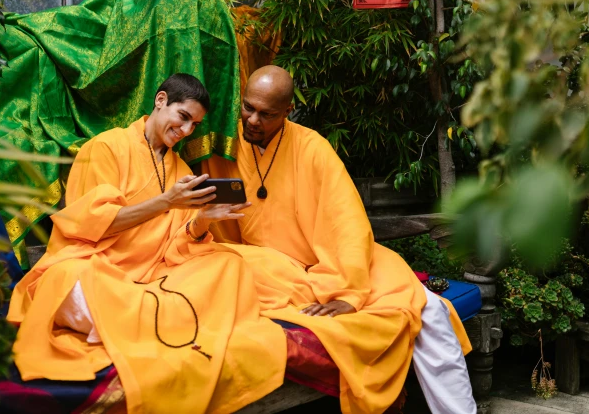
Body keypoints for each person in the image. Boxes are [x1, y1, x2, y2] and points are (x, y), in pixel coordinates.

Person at [204, 65, 477, 414]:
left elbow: (347, 223)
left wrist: (348, 292)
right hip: (268, 267)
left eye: (266, 114)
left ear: (288, 111)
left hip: (330, 260)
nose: (253, 120)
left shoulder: (313, 149)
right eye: (248, 108)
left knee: (431, 310)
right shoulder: (224, 145)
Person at [7, 73, 287, 414]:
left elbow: (180, 244)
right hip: (99, 269)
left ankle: (140, 317)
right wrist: (167, 202)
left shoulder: (179, 168)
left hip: (152, 276)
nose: (185, 132)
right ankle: (158, 316)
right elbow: (93, 226)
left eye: (194, 126)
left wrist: (204, 220)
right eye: (183, 117)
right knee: (70, 278)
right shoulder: (105, 148)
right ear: (160, 101)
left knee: (229, 264)